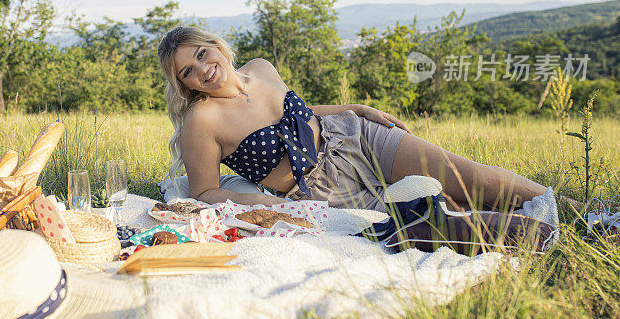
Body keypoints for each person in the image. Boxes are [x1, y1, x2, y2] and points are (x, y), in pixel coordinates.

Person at [157, 26, 551, 211]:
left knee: (471, 176)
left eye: (201, 54)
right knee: (447, 211)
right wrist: (262, 203)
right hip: (319, 189)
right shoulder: (201, 122)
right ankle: (548, 229)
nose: (202, 69)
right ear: (184, 85)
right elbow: (203, 193)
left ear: (214, 46)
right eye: (188, 71)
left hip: (351, 136)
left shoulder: (260, 68)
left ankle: (577, 212)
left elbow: (301, 115)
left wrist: (356, 110)